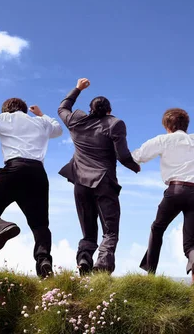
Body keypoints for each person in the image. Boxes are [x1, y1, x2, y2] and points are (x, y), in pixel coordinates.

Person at [0, 98, 62, 277]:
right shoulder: (41, 123)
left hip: (14, 170)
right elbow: (57, 130)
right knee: (40, 224)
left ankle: (1, 227)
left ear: (6, 110)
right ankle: (44, 261)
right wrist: (42, 114)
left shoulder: (5, 118)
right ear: (25, 109)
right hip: (37, 174)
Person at [58, 78, 140, 275]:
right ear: (109, 110)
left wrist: (77, 88)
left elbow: (63, 107)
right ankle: (102, 267)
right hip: (104, 183)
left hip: (80, 182)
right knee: (110, 230)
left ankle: (84, 259)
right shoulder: (115, 123)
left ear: (90, 109)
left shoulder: (76, 121)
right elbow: (123, 155)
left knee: (88, 231)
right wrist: (135, 167)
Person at [132, 108, 194, 283]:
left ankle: (150, 272)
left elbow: (139, 155)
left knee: (157, 228)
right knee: (191, 243)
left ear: (167, 126)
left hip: (176, 190)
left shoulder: (163, 140)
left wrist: (132, 161)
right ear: (186, 125)